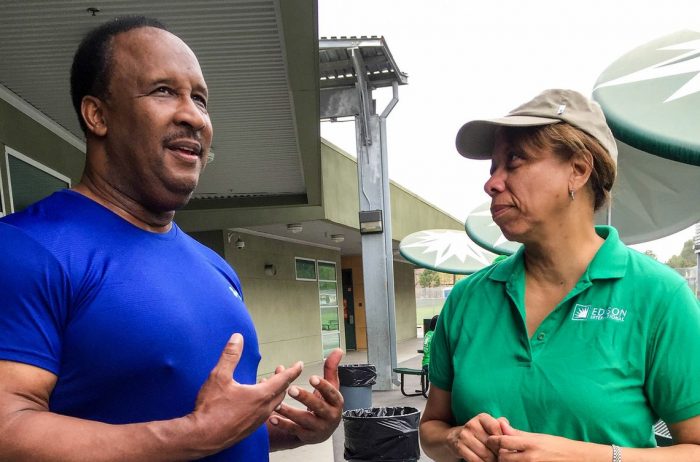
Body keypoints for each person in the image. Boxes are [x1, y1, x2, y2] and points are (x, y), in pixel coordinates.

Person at [0, 16, 343, 461]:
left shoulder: (214, 266)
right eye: (163, 91)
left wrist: (291, 431)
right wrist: (194, 434)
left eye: (200, 99)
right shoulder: (26, 250)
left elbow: (211, 423)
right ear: (97, 115)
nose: (193, 116)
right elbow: (8, 428)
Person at [419, 88, 700, 461]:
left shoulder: (659, 297)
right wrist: (455, 438)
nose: (492, 183)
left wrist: (590, 456)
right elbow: (431, 429)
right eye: (492, 168)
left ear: (578, 170)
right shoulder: (468, 299)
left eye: (514, 160)